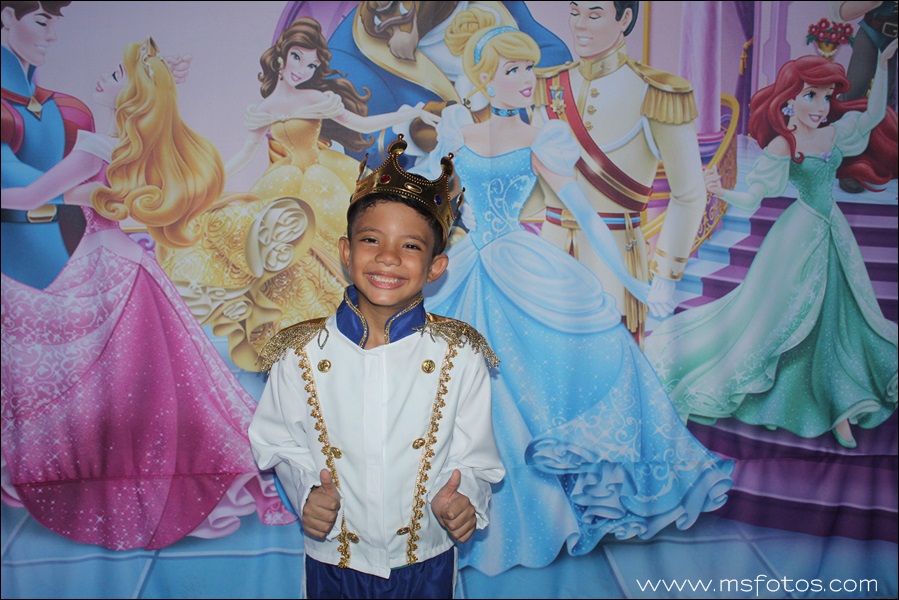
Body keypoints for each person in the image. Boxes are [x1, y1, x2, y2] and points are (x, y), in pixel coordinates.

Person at [415, 7, 734, 577]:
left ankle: (545, 508)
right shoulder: (457, 132)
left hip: (519, 263)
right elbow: (434, 203)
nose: (526, 81)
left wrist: (635, 279)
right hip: (466, 266)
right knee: (456, 386)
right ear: (487, 77)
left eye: (527, 69)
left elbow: (585, 214)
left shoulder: (541, 136)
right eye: (514, 71)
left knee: (551, 374)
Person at [1, 38, 295, 550]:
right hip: (131, 268)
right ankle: (242, 480)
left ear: (132, 92)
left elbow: (29, 197)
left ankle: (153, 481)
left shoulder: (97, 146)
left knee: (125, 389)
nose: (107, 77)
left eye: (118, 74)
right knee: (170, 389)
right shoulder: (133, 146)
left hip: (105, 275)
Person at [249, 135, 505, 599]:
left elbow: (476, 459)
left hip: (426, 563)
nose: (388, 257)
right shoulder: (298, 352)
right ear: (346, 252)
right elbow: (277, 442)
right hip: (334, 563)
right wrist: (307, 492)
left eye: (411, 246)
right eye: (371, 240)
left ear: (436, 267)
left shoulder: (461, 354)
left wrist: (465, 498)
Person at [645, 41, 899, 449]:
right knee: (784, 319)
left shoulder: (833, 133)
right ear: (789, 99)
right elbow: (754, 198)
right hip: (797, 238)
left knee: (838, 315)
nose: (820, 106)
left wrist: (883, 66)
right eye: (811, 95)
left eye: (826, 97)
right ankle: (784, 397)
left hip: (833, 232)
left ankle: (840, 406)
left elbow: (871, 116)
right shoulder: (783, 145)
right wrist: (721, 192)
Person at [155, 16, 440, 372]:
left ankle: (350, 342)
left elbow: (361, 124)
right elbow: (245, 154)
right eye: (297, 58)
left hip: (323, 181)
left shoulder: (318, 98)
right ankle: (296, 346)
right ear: (281, 57)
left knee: (334, 255)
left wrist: (408, 113)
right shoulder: (264, 110)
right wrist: (205, 183)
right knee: (281, 260)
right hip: (284, 184)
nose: (302, 70)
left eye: (311, 65)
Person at [524, 1, 708, 344]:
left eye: (594, 15)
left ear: (625, 18)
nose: (580, 25)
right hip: (551, 257)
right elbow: (537, 183)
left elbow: (689, 194)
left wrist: (666, 275)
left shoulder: (655, 92)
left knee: (611, 360)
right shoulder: (548, 85)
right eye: (575, 13)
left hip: (615, 263)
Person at [1, 0, 93, 290]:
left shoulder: (65, 108)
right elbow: (10, 176)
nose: (51, 36)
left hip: (61, 251)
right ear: (8, 17)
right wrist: (84, 192)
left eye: (54, 24)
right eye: (42, 22)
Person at [829, 1, 898, 193]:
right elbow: (841, 11)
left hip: (894, 43)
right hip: (872, 32)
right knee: (853, 94)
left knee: (884, 103)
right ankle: (846, 161)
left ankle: (875, 158)